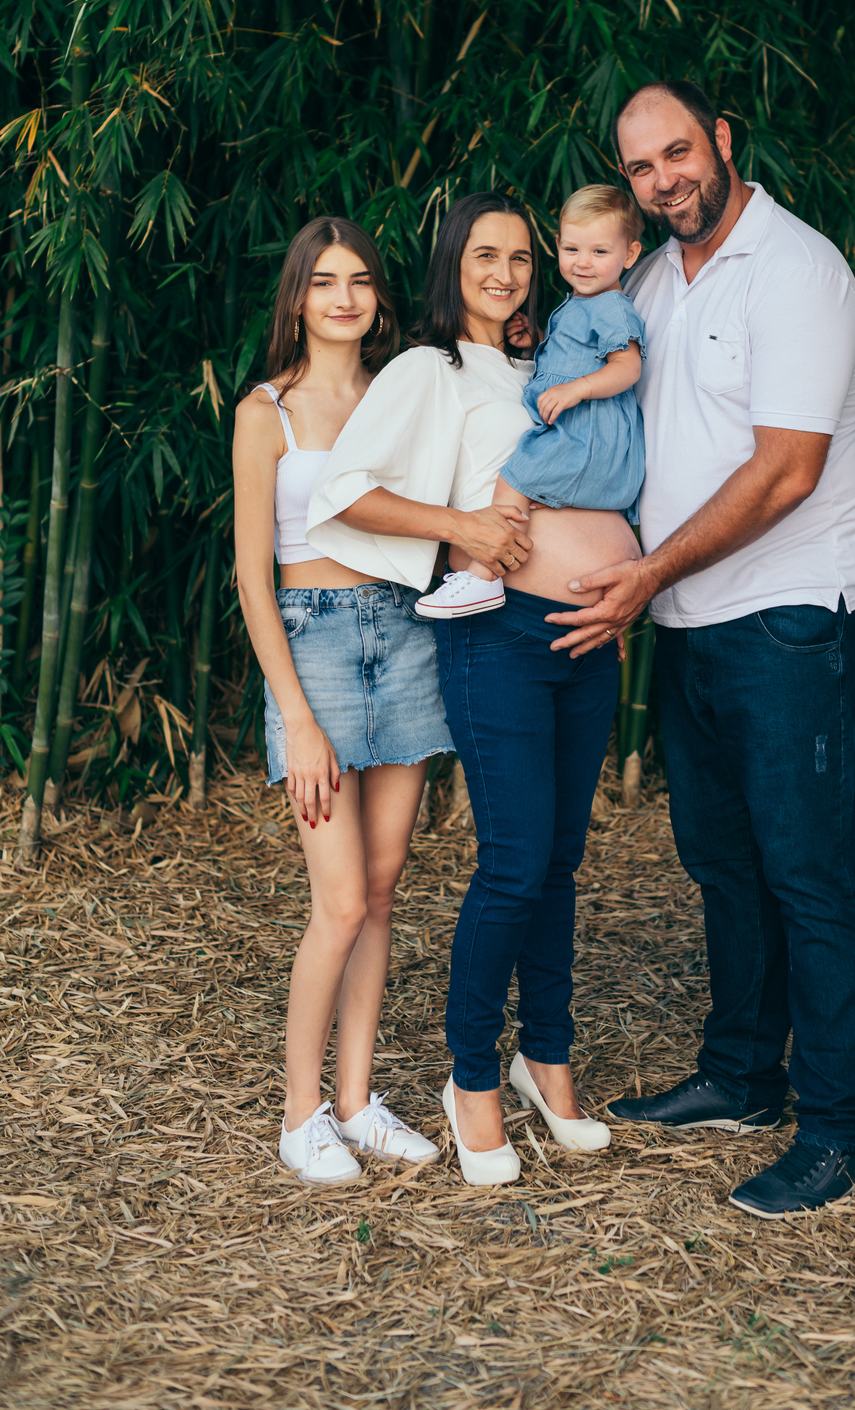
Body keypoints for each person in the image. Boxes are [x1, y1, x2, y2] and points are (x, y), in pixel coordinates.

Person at [547, 80, 855, 1219]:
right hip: (691, 614)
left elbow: (788, 470)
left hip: (791, 612)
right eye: (641, 168)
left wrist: (643, 574)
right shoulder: (650, 276)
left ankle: (839, 1125)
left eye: (677, 153)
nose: (663, 180)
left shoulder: (799, 272)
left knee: (809, 866)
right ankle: (744, 1076)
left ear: (723, 142)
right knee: (725, 860)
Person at [307, 192, 638, 1185]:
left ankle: (547, 1056)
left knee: (563, 858)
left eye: (522, 258)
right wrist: (459, 530)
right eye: (486, 255)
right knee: (515, 858)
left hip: (588, 636)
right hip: (498, 636)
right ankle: (470, 1081)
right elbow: (344, 491)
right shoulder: (429, 368)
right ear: (454, 263)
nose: (506, 273)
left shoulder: (549, 360)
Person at [233, 216, 449, 1186]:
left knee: (385, 882)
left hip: (403, 633)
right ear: (299, 297)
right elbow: (250, 574)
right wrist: (298, 714)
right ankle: (298, 1112)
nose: (345, 297)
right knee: (339, 898)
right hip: (312, 645)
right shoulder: (265, 412)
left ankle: (358, 1101)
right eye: (325, 281)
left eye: (359, 280)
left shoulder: (398, 395)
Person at [414, 184, 646, 618]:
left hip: (588, 431)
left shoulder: (612, 306)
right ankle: (482, 571)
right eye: (573, 249)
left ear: (630, 255)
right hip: (528, 623)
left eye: (600, 252)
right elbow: (577, 356)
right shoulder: (577, 305)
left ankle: (484, 575)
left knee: (518, 472)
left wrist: (576, 389)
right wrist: (539, 341)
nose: (583, 262)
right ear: (557, 246)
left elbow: (627, 367)